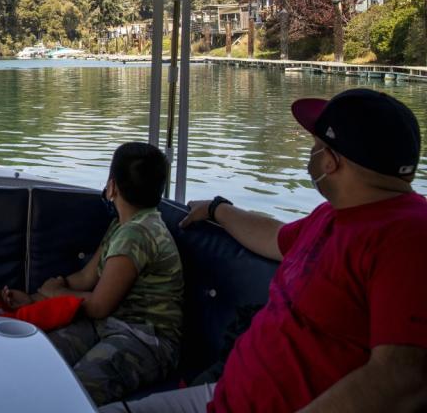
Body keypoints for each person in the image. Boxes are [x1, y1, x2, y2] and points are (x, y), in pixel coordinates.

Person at [102, 88, 427, 412]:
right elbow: (275, 238)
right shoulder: (334, 215)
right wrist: (218, 210)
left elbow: (401, 377)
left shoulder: (408, 237)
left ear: (330, 162)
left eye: (315, 146)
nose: (311, 156)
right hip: (222, 394)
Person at [1, 142, 183, 405]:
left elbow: (98, 305)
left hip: (145, 340)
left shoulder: (137, 234)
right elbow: (87, 278)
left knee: (69, 394)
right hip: (109, 325)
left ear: (113, 187)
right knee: (35, 359)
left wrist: (57, 293)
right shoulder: (123, 225)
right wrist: (35, 298)